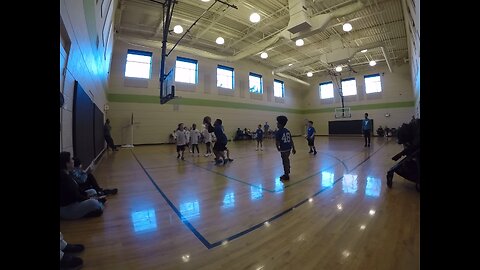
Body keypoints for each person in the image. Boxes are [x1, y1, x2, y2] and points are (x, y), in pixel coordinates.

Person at [60, 152, 105, 220]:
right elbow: (75, 196)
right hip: (68, 209)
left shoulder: (67, 174)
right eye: (71, 159)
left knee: (92, 191)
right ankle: (99, 204)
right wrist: (88, 199)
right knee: (94, 203)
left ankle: (98, 204)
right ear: (67, 164)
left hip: (74, 202)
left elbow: (77, 190)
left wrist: (86, 195)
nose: (73, 161)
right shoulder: (64, 178)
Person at [275, 116, 296, 181]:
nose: (277, 124)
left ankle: (286, 175)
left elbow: (277, 142)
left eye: (277, 123)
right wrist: (293, 148)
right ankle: (288, 170)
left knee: (285, 161)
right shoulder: (287, 130)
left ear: (280, 124)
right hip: (289, 148)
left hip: (283, 149)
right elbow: (291, 140)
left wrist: (277, 147)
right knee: (287, 160)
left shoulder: (278, 132)